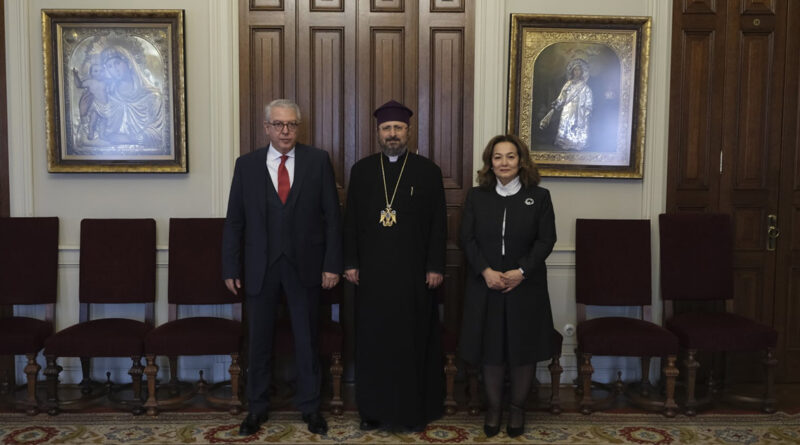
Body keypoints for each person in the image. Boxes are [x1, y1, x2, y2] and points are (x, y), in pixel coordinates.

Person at [222, 99, 341, 437]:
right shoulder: (246, 165)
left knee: (307, 339)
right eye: (278, 124)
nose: (285, 131)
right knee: (258, 341)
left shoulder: (318, 161)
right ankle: (256, 408)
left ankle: (311, 408)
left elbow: (333, 218)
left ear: (298, 127)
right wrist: (230, 266)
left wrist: (332, 264)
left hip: (306, 266)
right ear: (266, 127)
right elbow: (235, 221)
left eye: (291, 124)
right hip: (260, 267)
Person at [343, 100, 446, 431]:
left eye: (398, 128)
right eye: (386, 128)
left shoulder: (427, 171)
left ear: (408, 132)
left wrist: (435, 266)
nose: (392, 134)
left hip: (414, 276)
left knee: (410, 342)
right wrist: (351, 262)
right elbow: (351, 221)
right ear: (378, 133)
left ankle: (412, 412)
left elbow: (439, 224)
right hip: (372, 276)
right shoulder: (361, 170)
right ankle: (372, 411)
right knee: (374, 343)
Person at [458, 134, 556, 438]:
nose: (504, 162)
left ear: (521, 161)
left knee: (522, 347)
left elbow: (546, 240)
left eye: (510, 156)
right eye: (497, 157)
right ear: (490, 163)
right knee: (491, 347)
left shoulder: (539, 197)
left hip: (525, 285)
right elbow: (466, 238)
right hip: (486, 284)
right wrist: (486, 271)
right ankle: (494, 408)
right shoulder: (477, 196)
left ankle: (517, 409)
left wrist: (521, 271)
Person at [89, 46, 166, 148]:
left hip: (145, 155)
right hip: (110, 154)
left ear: (129, 63)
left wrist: (131, 139)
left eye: (117, 63)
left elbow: (160, 133)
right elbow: (100, 129)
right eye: (109, 66)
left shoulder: (152, 97)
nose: (114, 70)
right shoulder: (109, 96)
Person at [539, 58, 592, 150]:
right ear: (572, 71)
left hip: (580, 110)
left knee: (578, 125)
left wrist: (587, 110)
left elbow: (588, 99)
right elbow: (562, 96)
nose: (577, 72)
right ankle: (565, 142)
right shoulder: (568, 84)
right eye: (575, 70)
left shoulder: (585, 87)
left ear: (582, 72)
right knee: (567, 124)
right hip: (568, 108)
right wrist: (557, 102)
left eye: (579, 70)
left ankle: (578, 143)